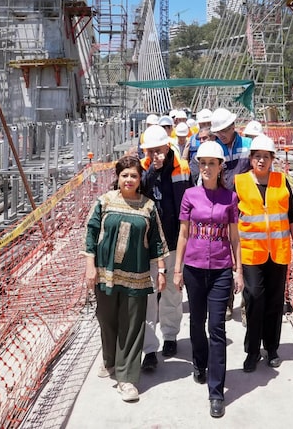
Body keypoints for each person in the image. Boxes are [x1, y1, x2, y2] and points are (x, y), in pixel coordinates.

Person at [84, 155, 167, 402]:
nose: (129, 179)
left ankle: (128, 378)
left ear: (140, 179)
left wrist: (161, 271)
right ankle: (110, 359)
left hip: (137, 276)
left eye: (134, 175)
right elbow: (91, 233)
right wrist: (91, 266)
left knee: (132, 326)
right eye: (125, 175)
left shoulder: (148, 206)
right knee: (107, 321)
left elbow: (156, 242)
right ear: (117, 178)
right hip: (106, 274)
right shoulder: (104, 202)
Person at [173, 141, 243, 419]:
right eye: (202, 163)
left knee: (217, 328)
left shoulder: (230, 198)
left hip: (221, 269)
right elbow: (183, 235)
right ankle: (199, 362)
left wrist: (238, 270)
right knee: (196, 322)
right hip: (193, 267)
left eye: (211, 163)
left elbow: (235, 237)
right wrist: (177, 269)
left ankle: (216, 391)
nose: (206, 168)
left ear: (220, 167)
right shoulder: (190, 195)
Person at [235, 135, 293, 373]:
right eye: (257, 156)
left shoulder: (281, 180)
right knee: (255, 299)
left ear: (273, 159)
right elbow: (233, 222)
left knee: (274, 302)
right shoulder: (239, 182)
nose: (261, 161)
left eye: (266, 157)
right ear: (251, 159)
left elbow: (291, 216)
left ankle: (272, 348)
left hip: (279, 252)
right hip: (252, 253)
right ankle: (252, 351)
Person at [140, 125, 191, 370]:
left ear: (167, 146)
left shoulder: (182, 169)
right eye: (150, 151)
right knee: (148, 297)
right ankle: (149, 349)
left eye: (158, 150)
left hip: (173, 242)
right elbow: (139, 192)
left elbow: (188, 203)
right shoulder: (142, 168)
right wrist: (151, 170)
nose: (154, 155)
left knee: (172, 292)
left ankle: (170, 337)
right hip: (148, 245)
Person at [210, 107, 252, 320]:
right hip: (223, 210)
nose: (222, 135)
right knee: (225, 259)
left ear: (233, 126)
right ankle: (226, 303)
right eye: (219, 132)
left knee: (244, 258)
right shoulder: (214, 148)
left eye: (225, 130)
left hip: (245, 210)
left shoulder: (248, 146)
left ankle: (245, 306)